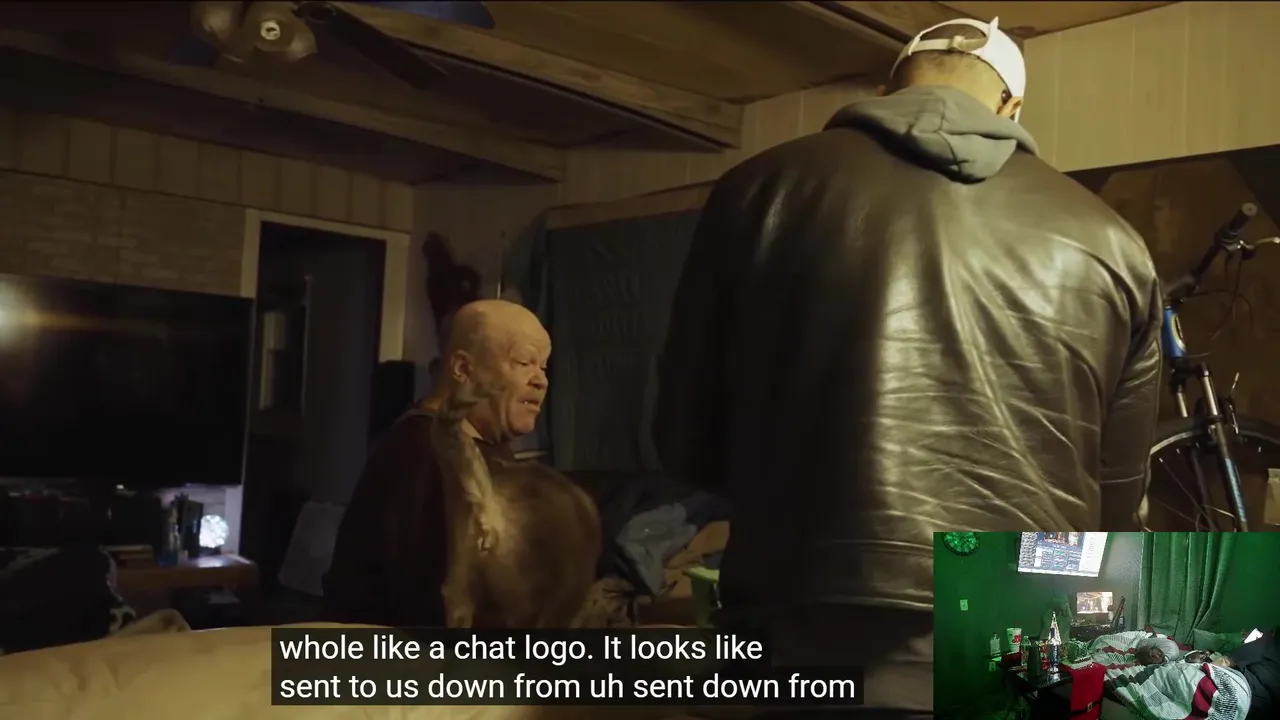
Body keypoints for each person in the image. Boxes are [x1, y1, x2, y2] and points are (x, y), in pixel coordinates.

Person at [651, 16, 1161, 715]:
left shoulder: (756, 190)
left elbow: (684, 441)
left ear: (886, 93)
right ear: (1012, 108)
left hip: (793, 633)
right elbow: (1116, 502)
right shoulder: (1113, 242)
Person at [323, 299, 551, 626]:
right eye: (524, 362)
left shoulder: (479, 446)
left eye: (543, 366)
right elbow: (435, 601)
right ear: (463, 369)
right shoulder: (424, 453)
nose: (540, 380)